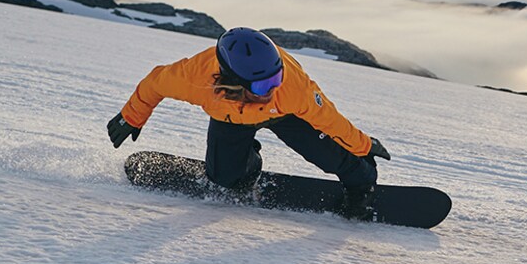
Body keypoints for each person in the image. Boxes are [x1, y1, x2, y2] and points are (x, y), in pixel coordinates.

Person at [107, 27, 390, 219]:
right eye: (265, 83)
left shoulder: (292, 89)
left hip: (284, 113)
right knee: (224, 179)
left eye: (276, 77)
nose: (273, 86)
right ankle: (247, 164)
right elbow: (154, 83)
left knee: (327, 153)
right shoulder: (194, 78)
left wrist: (364, 145)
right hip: (230, 115)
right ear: (233, 81)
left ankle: (362, 183)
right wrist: (132, 116)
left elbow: (331, 121)